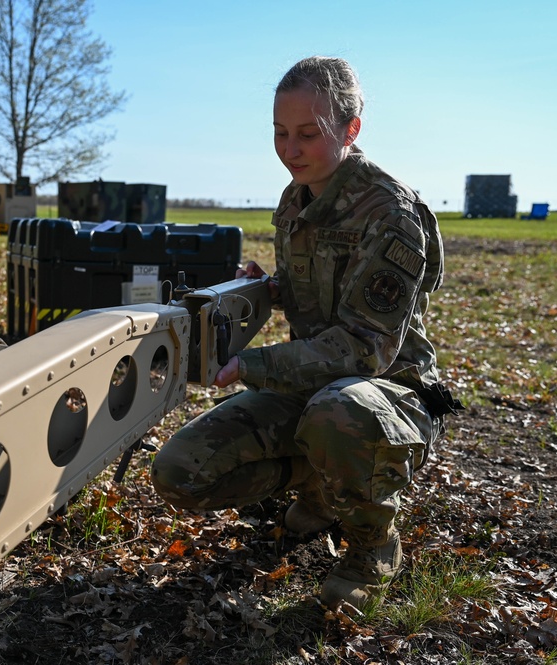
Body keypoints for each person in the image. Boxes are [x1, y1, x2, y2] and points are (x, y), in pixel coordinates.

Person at [151, 56, 458, 610]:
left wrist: (252, 367)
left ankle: (371, 546)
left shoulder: (391, 213)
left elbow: (363, 350)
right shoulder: (296, 200)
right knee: (179, 472)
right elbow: (314, 295)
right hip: (315, 388)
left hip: (391, 393)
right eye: (280, 133)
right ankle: (322, 485)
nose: (289, 150)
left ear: (351, 130)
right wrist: (265, 290)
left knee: (336, 411)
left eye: (308, 134)